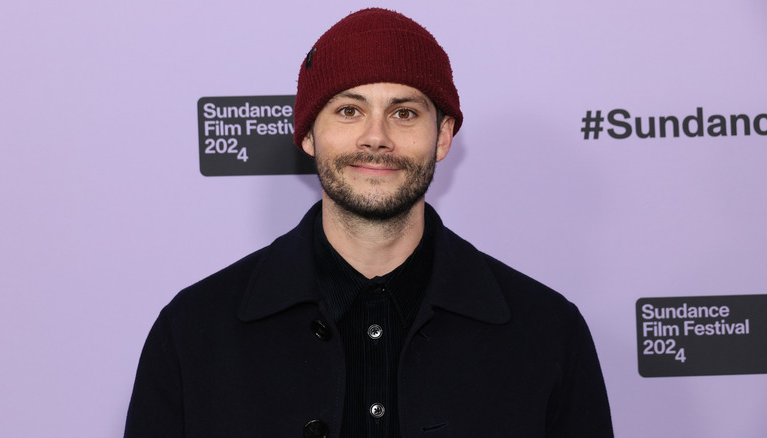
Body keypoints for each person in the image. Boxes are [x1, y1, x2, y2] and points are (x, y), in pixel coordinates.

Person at [124, 8, 613, 438]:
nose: (375, 137)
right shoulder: (195, 333)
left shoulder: (547, 333)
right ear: (309, 134)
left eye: (403, 112)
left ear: (442, 137)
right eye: (349, 110)